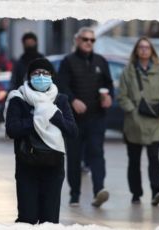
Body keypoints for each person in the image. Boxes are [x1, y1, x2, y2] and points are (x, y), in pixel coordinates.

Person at [4, 58, 77, 224]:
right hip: (27, 164)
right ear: (29, 77)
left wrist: (55, 116)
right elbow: (12, 129)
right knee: (27, 218)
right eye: (36, 73)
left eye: (45, 73)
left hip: (53, 165)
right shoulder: (18, 98)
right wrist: (38, 119)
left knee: (49, 221)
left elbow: (72, 131)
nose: (41, 76)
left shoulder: (61, 100)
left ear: (51, 76)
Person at [56, 27, 114, 207]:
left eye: (92, 40)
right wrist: (73, 101)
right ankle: (75, 194)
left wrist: (108, 97)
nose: (89, 42)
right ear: (77, 40)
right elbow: (61, 87)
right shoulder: (68, 61)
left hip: (96, 117)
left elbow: (108, 85)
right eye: (85, 39)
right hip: (74, 120)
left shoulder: (101, 61)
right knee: (74, 157)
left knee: (96, 152)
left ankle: (99, 191)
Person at [117, 37, 159, 206]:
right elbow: (122, 96)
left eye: (147, 47)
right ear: (136, 50)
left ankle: (156, 191)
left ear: (151, 51)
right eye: (140, 47)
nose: (143, 50)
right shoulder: (128, 71)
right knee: (134, 160)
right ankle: (136, 193)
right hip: (134, 122)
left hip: (155, 121)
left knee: (154, 158)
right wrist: (132, 110)